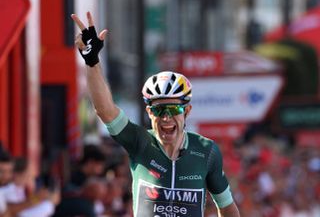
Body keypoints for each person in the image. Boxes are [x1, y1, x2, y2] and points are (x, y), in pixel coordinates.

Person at [71, 11, 240, 217]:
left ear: (187, 111)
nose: (166, 118)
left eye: (173, 109)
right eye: (159, 110)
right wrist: (92, 61)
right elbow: (105, 110)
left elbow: (227, 206)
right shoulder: (141, 142)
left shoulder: (206, 151)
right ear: (149, 112)